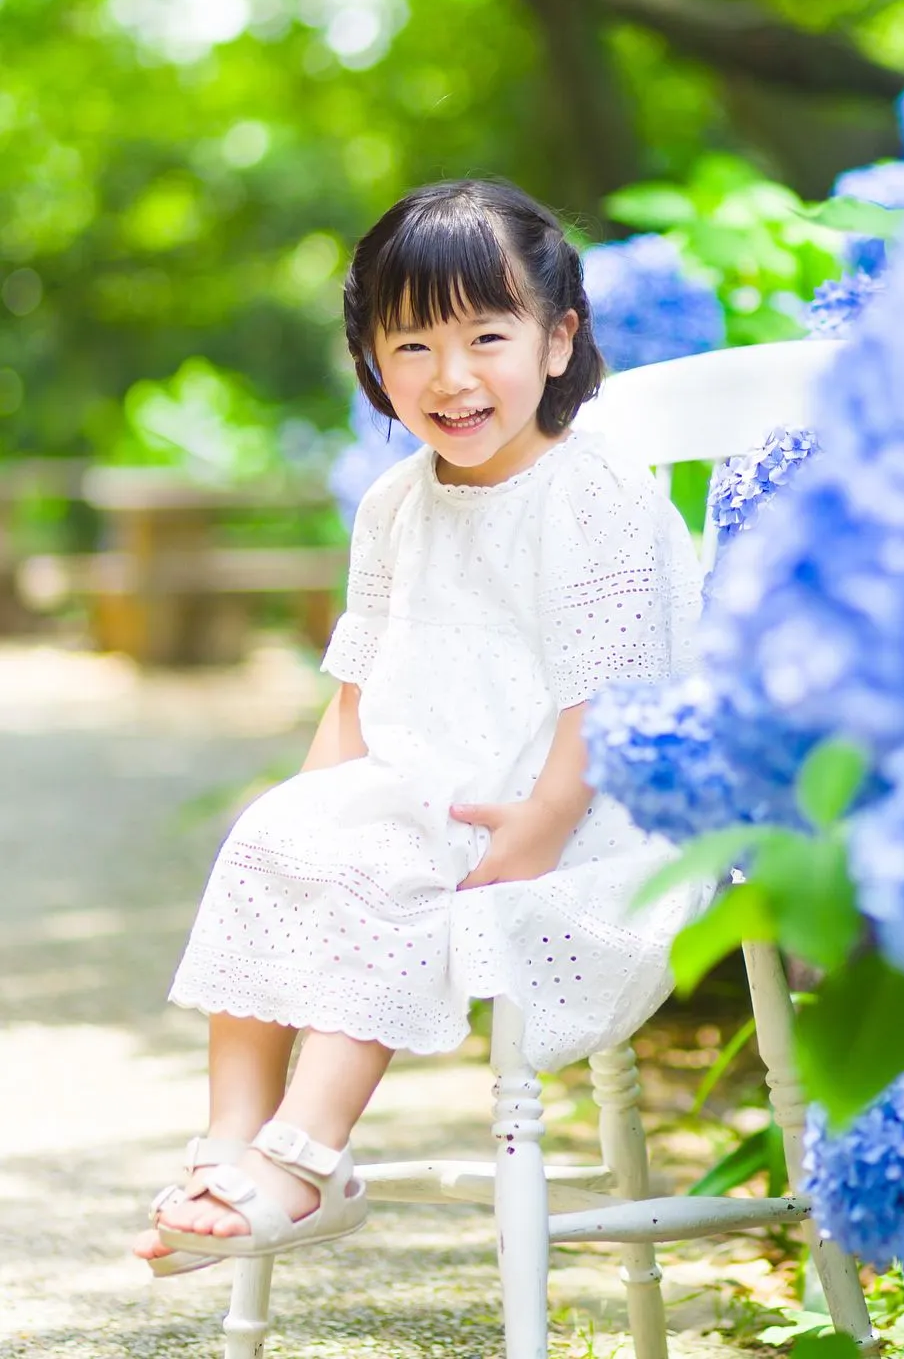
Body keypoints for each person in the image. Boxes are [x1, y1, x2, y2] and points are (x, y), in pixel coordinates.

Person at [135, 178, 706, 1270]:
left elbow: (614, 692)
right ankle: (230, 1144)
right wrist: (305, 815)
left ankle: (303, 1159)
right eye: (411, 347)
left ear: (557, 339)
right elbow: (358, 691)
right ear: (369, 359)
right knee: (275, 836)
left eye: (488, 335)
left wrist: (536, 824)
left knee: (392, 854)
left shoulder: (594, 492)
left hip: (575, 810)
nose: (451, 378)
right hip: (436, 793)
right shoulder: (395, 502)